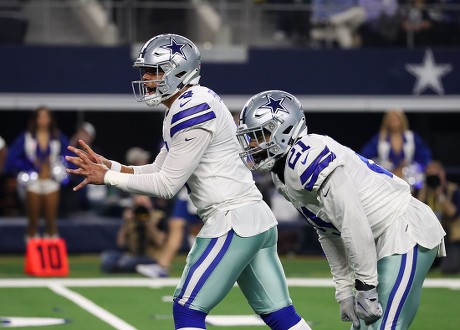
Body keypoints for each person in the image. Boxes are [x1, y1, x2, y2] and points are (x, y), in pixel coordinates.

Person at [65, 34, 310, 330]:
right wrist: (112, 166)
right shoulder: (186, 104)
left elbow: (167, 185)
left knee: (187, 310)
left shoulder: (192, 107)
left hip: (232, 219)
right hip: (252, 218)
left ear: (178, 72)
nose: (145, 78)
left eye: (153, 71)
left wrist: (108, 178)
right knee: (281, 316)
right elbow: (158, 168)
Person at [235, 90, 446, 329]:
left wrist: (365, 286)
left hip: (403, 228)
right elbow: (328, 231)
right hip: (378, 238)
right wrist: (345, 290)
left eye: (259, 135)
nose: (252, 144)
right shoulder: (282, 176)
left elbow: (352, 221)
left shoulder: (308, 156)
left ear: (284, 130)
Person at [5, 106, 70, 240]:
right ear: (35, 119)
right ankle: (32, 257)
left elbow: (69, 156)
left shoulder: (57, 137)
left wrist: (60, 167)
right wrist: (27, 165)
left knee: (51, 222)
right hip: (33, 182)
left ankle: (51, 256)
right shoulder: (27, 137)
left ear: (51, 119)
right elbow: (12, 158)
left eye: (46, 116)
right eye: (40, 117)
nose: (43, 120)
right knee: (33, 222)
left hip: (51, 182)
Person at [136, 186, 202, 278]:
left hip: (203, 187)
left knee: (196, 228)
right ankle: (163, 266)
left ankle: (199, 265)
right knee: (176, 224)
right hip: (188, 189)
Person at [360, 108, 432, 190]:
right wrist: (384, 165)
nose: (393, 121)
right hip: (387, 177)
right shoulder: (380, 138)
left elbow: (425, 157)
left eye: (396, 118)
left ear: (402, 119)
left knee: (419, 177)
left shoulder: (411, 137)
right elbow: (365, 156)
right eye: (391, 119)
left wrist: (408, 166)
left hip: (409, 177)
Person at [100, 194, 166, 273]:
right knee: (107, 257)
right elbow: (120, 243)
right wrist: (126, 223)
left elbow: (160, 242)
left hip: (151, 257)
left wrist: (148, 223)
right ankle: (128, 267)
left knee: (127, 263)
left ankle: (122, 268)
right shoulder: (131, 219)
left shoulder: (158, 217)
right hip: (133, 255)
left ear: (150, 204)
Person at [415, 160, 460, 274]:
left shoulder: (452, 190)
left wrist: (440, 195)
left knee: (449, 269)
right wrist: (424, 192)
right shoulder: (423, 192)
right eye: (430, 175)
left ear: (442, 174)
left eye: (436, 175)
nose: (433, 178)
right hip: (429, 239)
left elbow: (454, 214)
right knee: (420, 268)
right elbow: (415, 215)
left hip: (449, 238)